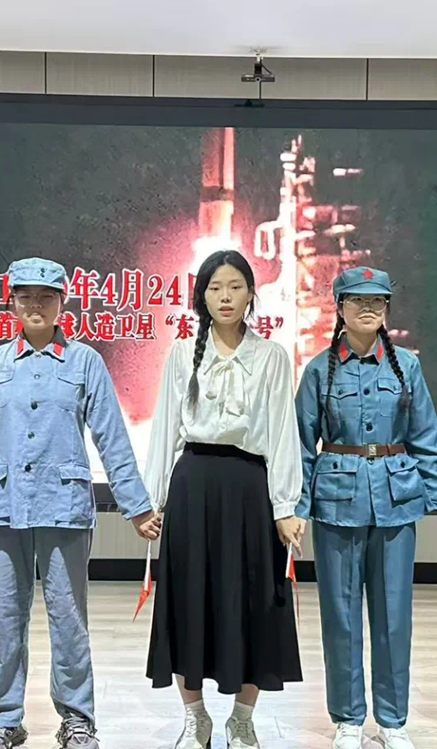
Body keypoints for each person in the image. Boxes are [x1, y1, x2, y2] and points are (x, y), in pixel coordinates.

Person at [0, 257, 161, 749]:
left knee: (69, 618)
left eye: (46, 297)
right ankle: (3, 718)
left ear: (62, 303)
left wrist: (137, 506)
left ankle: (78, 718)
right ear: (11, 302)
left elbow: (112, 438)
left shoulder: (84, 362)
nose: (35, 305)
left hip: (64, 506)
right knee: (6, 619)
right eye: (25, 297)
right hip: (4, 505)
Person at [144, 249, 304, 749]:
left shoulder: (271, 357)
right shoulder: (181, 355)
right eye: (215, 288)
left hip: (251, 490)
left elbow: (282, 433)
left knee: (255, 600)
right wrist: (151, 500)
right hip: (193, 486)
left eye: (235, 287)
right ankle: (196, 718)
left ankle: (242, 718)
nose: (226, 297)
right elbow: (164, 429)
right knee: (189, 599)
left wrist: (285, 507)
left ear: (252, 294)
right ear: (202, 297)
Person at [294, 267, 437, 749]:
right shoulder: (319, 370)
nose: (368, 309)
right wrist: (296, 507)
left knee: (393, 615)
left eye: (377, 301)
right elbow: (301, 445)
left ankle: (392, 720)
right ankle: (348, 719)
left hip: (395, 501)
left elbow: (425, 437)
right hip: (336, 504)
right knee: (340, 616)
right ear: (340, 308)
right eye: (358, 300)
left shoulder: (406, 366)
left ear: (386, 308)